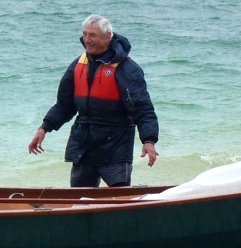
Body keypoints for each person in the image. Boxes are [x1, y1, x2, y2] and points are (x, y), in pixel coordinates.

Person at [28, 15, 159, 187]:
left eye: (92, 35)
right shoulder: (77, 65)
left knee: (117, 201)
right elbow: (64, 105)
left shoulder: (127, 69)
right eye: (85, 34)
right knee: (79, 200)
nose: (86, 40)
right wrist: (44, 128)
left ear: (107, 37)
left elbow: (143, 110)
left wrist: (148, 140)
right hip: (84, 146)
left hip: (116, 146)